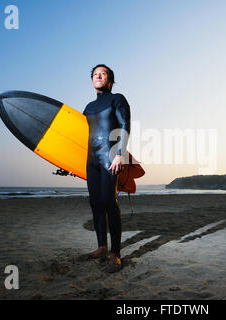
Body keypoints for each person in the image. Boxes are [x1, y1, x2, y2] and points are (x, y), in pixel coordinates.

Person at [82, 64, 131, 272]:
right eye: (95, 74)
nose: (98, 76)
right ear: (92, 80)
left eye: (103, 74)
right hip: (91, 160)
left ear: (110, 80)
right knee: (95, 203)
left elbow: (125, 126)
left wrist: (120, 154)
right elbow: (81, 137)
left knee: (109, 201)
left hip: (110, 157)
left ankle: (116, 252)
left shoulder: (117, 99)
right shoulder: (87, 107)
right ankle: (102, 247)